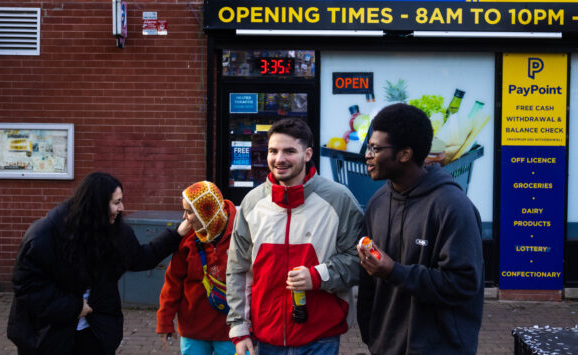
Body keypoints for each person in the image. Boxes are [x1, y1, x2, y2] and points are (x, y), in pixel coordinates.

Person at [7, 172, 191, 355]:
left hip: (95, 332)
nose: (122, 208)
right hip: (48, 336)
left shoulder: (115, 232)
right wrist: (73, 307)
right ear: (96, 205)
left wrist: (177, 234)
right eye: (116, 202)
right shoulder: (44, 236)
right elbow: (26, 286)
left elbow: (141, 257)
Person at [227, 118, 363, 355]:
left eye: (289, 151)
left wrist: (318, 276)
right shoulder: (252, 203)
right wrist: (239, 328)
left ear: (307, 153)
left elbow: (359, 260)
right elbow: (238, 268)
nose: (279, 159)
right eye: (273, 151)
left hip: (321, 336)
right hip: (266, 336)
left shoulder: (339, 199)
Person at [356, 103, 484, 355]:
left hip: (441, 348)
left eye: (375, 148)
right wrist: (372, 336)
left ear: (404, 154)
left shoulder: (453, 206)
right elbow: (368, 283)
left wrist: (395, 271)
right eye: (368, 147)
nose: (367, 155)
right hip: (385, 347)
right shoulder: (377, 204)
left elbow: (463, 284)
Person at [156, 180, 236, 354]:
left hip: (231, 330)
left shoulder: (241, 232)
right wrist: (165, 320)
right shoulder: (188, 237)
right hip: (194, 329)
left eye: (189, 211)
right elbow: (173, 281)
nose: (184, 217)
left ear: (207, 212)